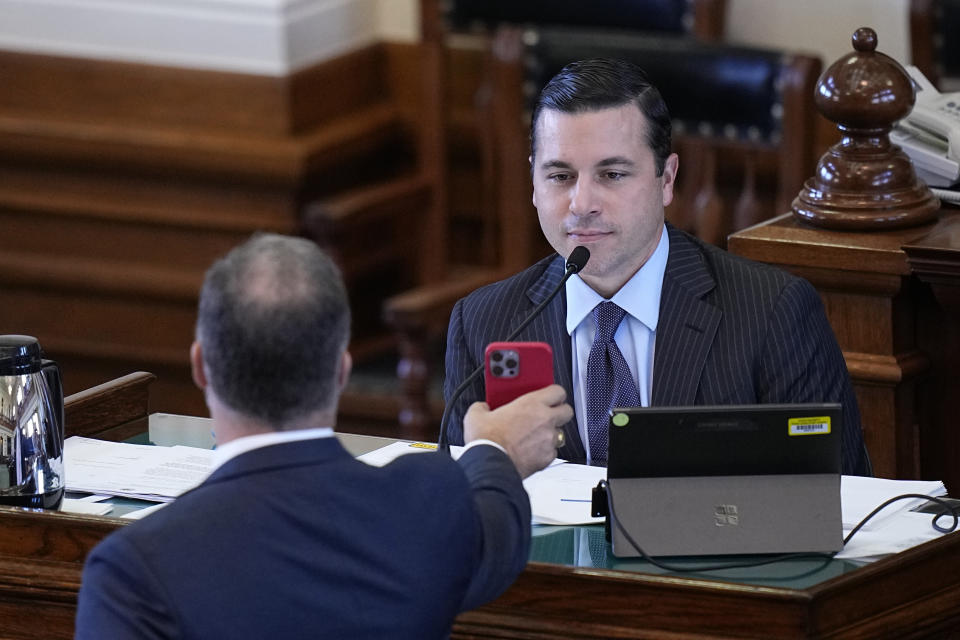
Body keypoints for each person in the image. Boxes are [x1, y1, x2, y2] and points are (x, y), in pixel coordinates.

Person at [75, 233, 573, 640]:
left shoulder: (131, 572)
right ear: (341, 370)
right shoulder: (427, 504)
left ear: (202, 367)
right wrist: (494, 447)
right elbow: (496, 521)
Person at [444, 58, 871, 476]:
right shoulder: (484, 322)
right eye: (560, 176)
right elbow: (463, 509)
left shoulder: (774, 313)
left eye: (612, 174)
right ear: (534, 182)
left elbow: (838, 498)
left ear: (666, 180)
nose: (582, 204)